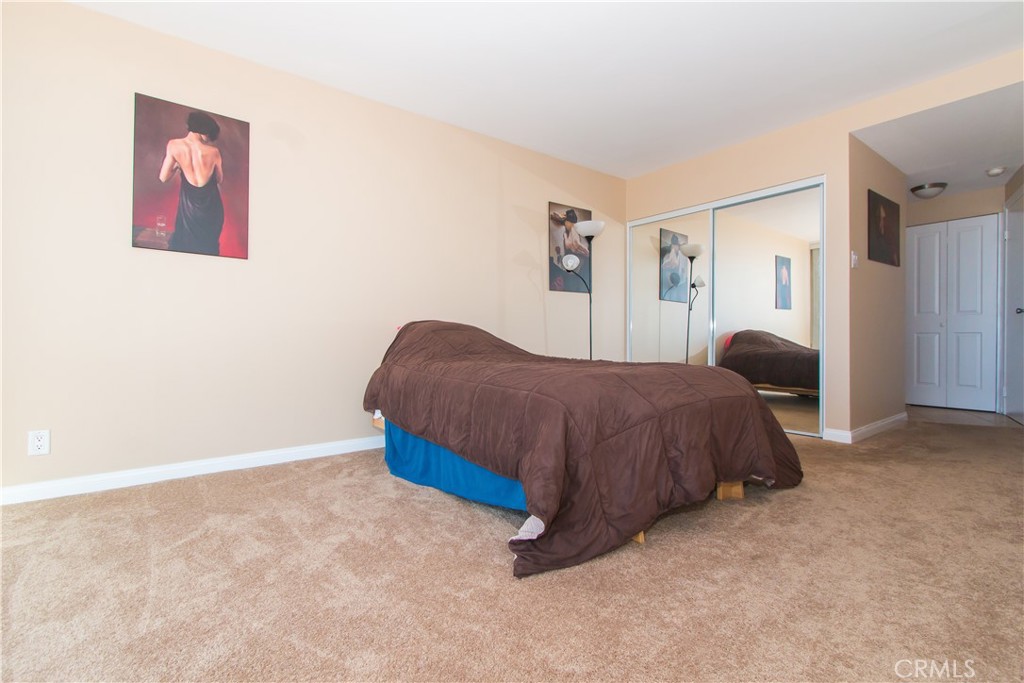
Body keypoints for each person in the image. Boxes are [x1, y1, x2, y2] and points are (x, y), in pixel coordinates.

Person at [159, 111, 225, 255]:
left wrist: (178, 167)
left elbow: (163, 178)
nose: (208, 140)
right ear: (204, 131)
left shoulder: (174, 145)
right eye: (209, 135)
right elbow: (220, 179)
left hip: (189, 210)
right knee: (208, 251)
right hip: (212, 208)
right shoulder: (214, 152)